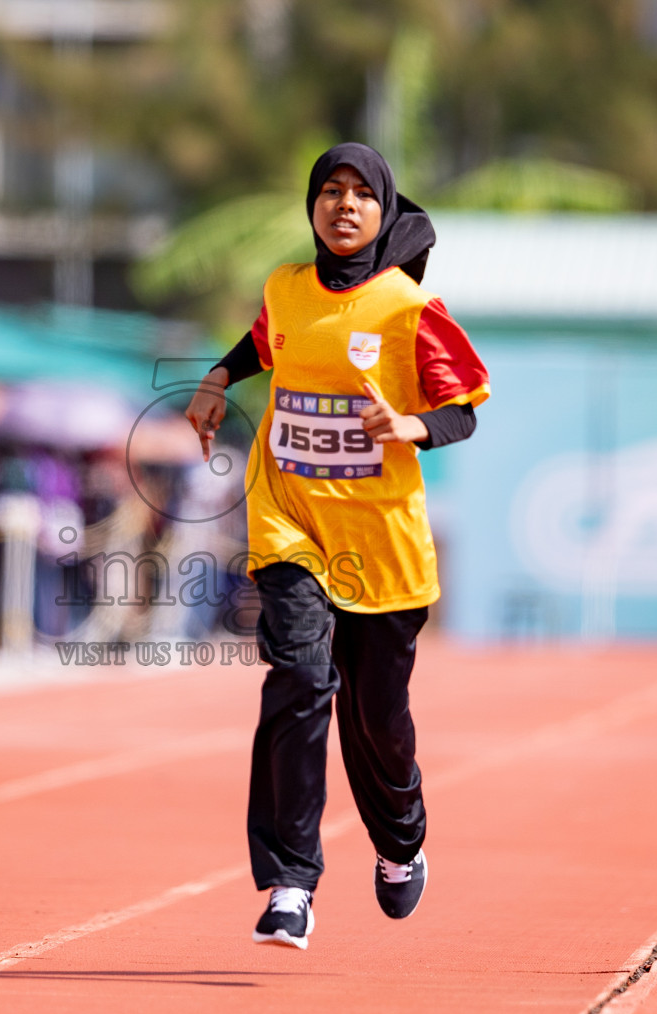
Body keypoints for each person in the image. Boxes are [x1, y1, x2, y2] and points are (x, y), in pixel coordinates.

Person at [185, 143, 489, 950]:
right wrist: (218, 379)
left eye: (361, 194)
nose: (343, 205)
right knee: (297, 679)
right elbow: (264, 343)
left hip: (381, 543)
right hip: (290, 519)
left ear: (383, 211)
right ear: (312, 206)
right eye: (329, 191)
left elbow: (463, 409)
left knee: (375, 718)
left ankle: (402, 839)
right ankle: (290, 882)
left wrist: (410, 425)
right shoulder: (285, 290)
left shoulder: (407, 308)